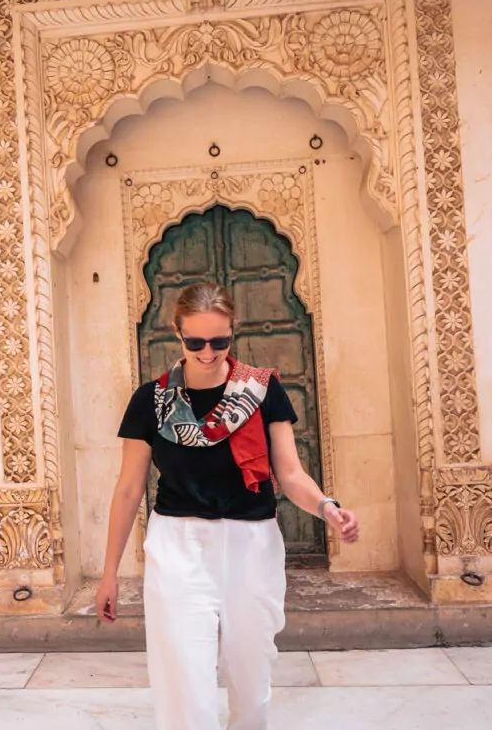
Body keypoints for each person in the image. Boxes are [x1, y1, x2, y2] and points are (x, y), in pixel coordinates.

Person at [96, 282, 359, 730]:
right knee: (184, 678)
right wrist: (109, 575)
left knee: (250, 678)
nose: (207, 352)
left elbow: (290, 474)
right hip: (178, 545)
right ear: (177, 334)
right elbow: (128, 490)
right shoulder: (151, 402)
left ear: (233, 333)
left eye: (219, 341)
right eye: (194, 341)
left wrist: (326, 506)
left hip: (250, 543)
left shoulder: (262, 392)